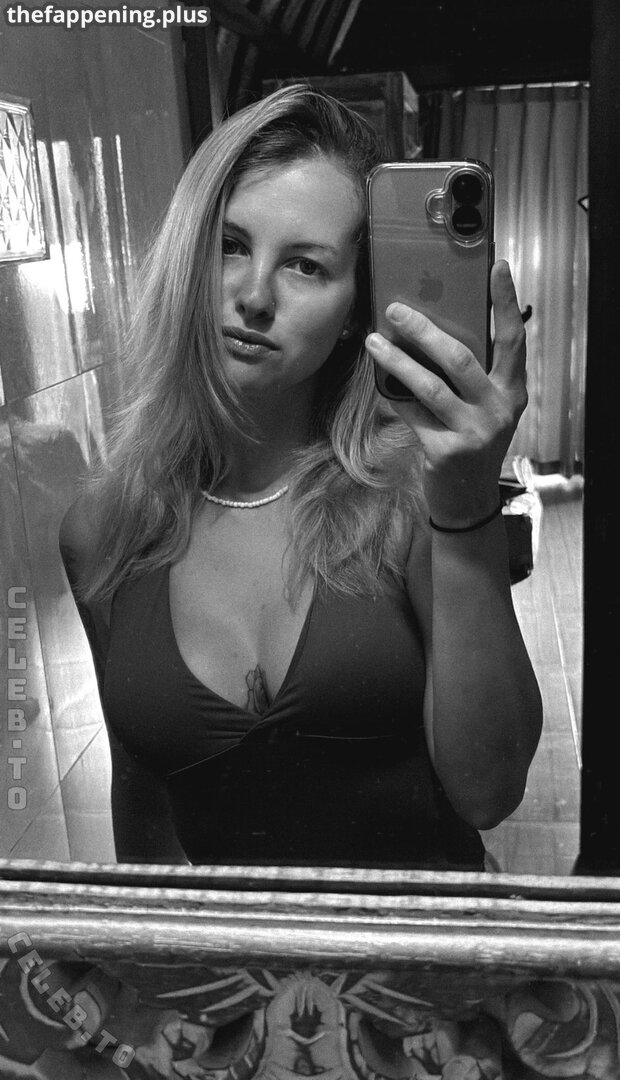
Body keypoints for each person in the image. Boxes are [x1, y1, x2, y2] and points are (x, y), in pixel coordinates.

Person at [60, 84, 543, 870]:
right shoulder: (105, 528)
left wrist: (463, 508)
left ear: (356, 309)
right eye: (230, 245)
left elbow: (488, 791)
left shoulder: (410, 497)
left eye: (306, 265)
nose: (254, 296)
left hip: (427, 942)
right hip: (233, 951)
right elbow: (141, 792)